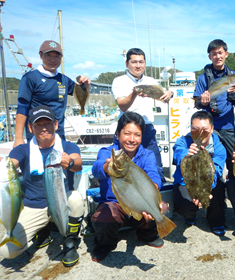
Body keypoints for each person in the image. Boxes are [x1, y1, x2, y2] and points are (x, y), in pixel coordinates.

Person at [0, 105, 84, 267]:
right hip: (34, 205)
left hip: (62, 202)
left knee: (76, 198)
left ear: (56, 125)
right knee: (6, 250)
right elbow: (12, 163)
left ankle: (70, 242)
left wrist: (70, 162)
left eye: (48, 123)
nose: (44, 128)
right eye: (39, 124)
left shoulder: (67, 147)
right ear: (30, 128)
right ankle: (43, 232)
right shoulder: (23, 150)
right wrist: (4, 165)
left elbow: (78, 164)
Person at [91, 111, 165, 262]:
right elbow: (96, 168)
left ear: (142, 137)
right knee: (103, 217)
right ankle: (106, 244)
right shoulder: (107, 152)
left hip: (139, 204)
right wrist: (107, 167)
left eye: (137, 135)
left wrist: (154, 192)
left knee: (161, 206)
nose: (132, 139)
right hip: (115, 206)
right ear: (118, 134)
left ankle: (146, 234)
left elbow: (154, 175)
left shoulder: (148, 155)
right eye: (127, 133)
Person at [193, 39, 235, 236]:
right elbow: (197, 104)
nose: (217, 56)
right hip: (208, 128)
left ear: (226, 54)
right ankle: (213, 210)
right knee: (208, 167)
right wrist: (202, 101)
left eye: (220, 52)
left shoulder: (234, 77)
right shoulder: (203, 78)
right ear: (210, 56)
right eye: (214, 53)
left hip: (228, 127)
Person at [14, 40, 91, 147]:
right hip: (37, 136)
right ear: (40, 56)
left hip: (58, 134)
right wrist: (18, 138)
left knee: (60, 163)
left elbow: (80, 92)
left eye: (57, 56)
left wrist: (85, 84)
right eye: (48, 55)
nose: (53, 60)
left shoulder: (64, 79)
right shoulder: (30, 78)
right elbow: (22, 107)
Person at [112, 48, 172, 183]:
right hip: (127, 130)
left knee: (155, 168)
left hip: (147, 129)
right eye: (134, 62)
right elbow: (123, 105)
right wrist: (134, 93)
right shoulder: (119, 81)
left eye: (141, 62)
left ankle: (157, 200)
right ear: (127, 64)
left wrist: (169, 94)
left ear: (145, 63)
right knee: (121, 169)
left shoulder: (151, 81)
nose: (138, 65)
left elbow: (162, 97)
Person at [172, 111, 227, 236]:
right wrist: (187, 154)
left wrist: (203, 191)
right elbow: (178, 153)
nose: (200, 133)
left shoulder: (219, 148)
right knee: (184, 205)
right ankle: (190, 214)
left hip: (209, 182)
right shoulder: (182, 141)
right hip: (186, 181)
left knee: (219, 188)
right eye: (195, 129)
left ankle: (215, 219)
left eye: (204, 130)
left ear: (212, 129)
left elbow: (216, 172)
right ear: (190, 129)